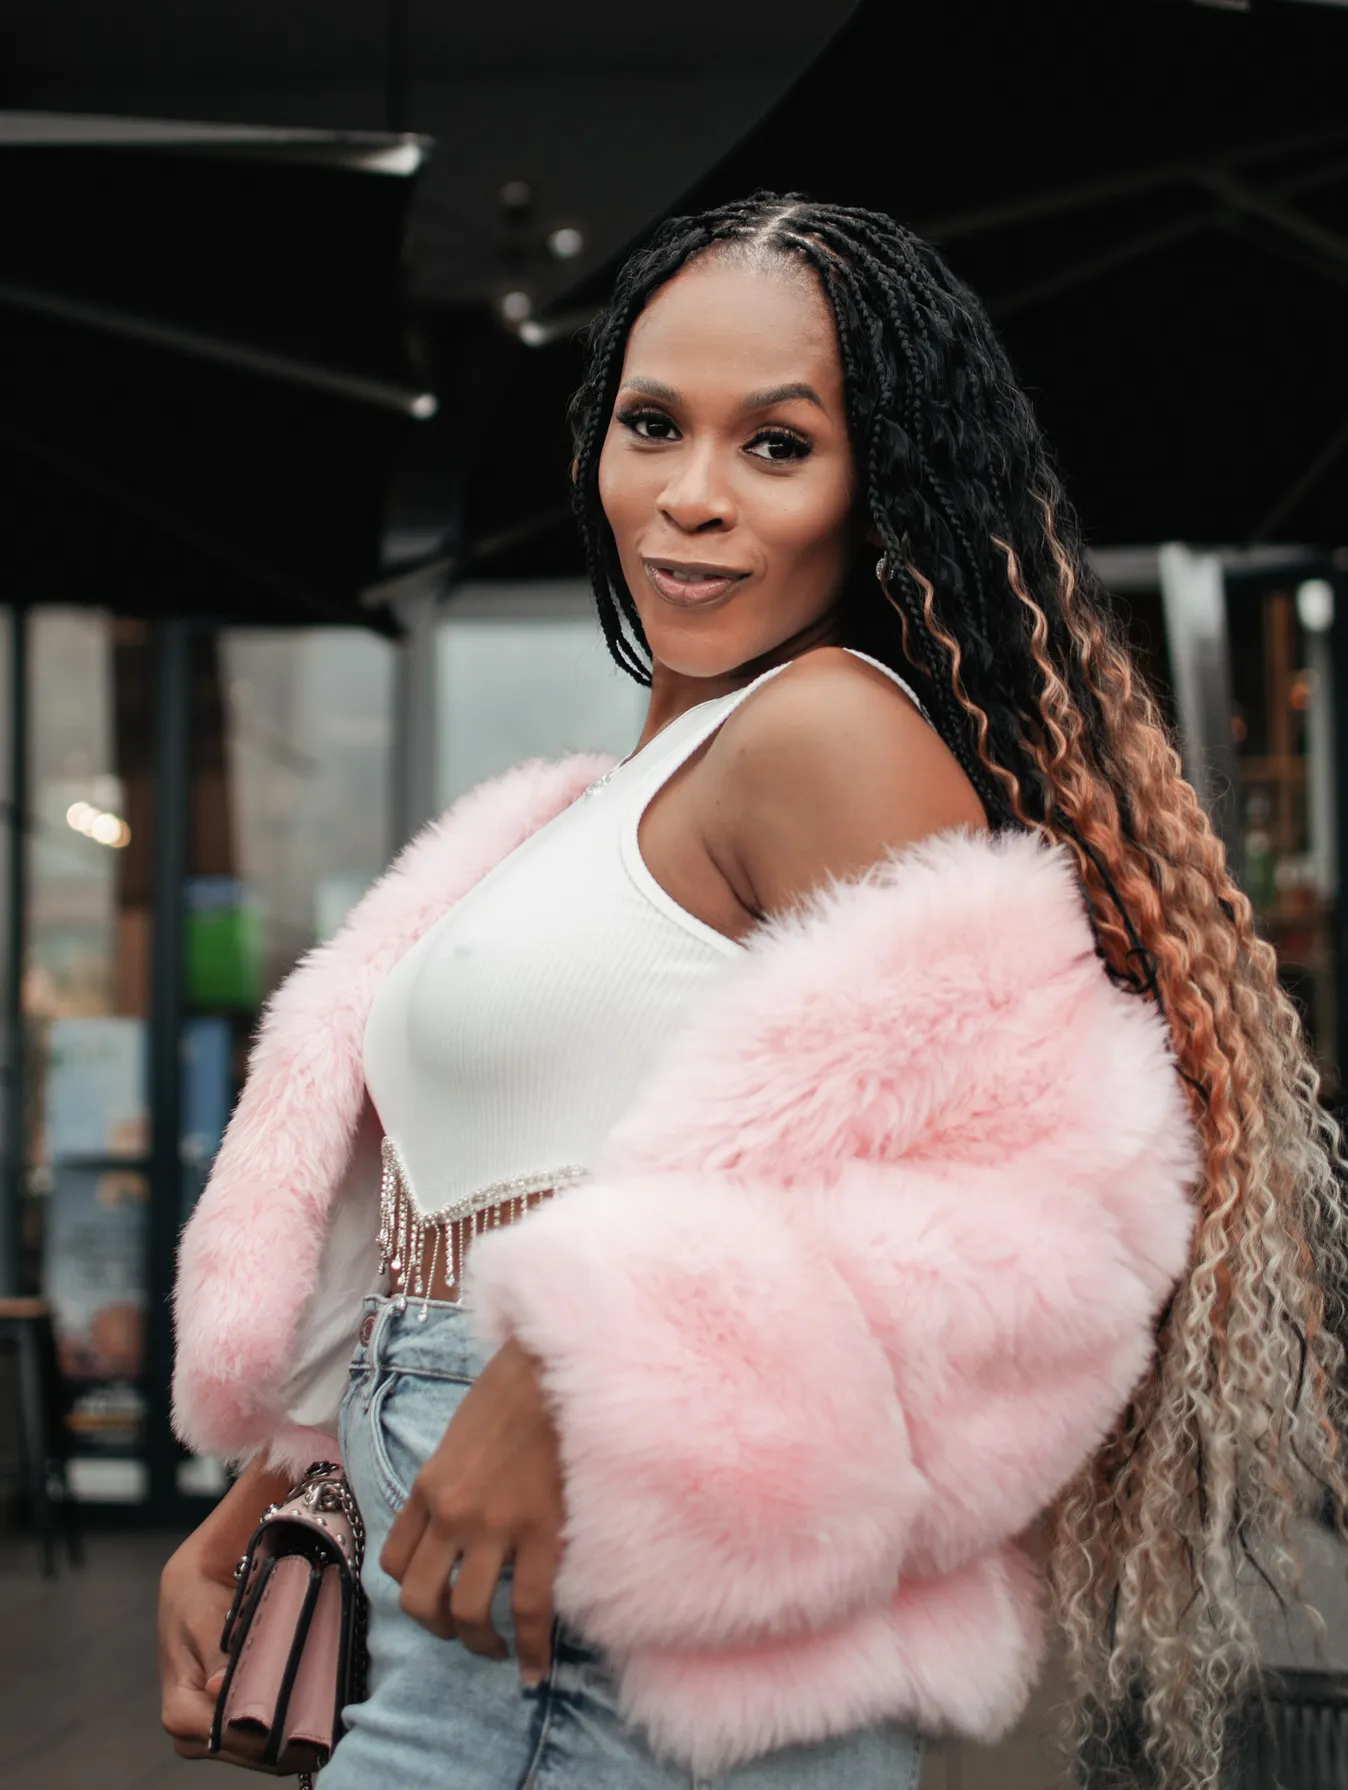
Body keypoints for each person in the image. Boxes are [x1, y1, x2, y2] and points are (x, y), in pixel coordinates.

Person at [158, 195, 1345, 1790]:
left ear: (881, 484)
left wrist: (574, 1376)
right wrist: (290, 1481)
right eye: (653, 424)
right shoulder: (593, 803)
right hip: (472, 1624)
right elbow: (467, 1194)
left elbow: (1050, 1224)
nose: (693, 496)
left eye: (778, 445)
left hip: (640, 1680)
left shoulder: (826, 734)